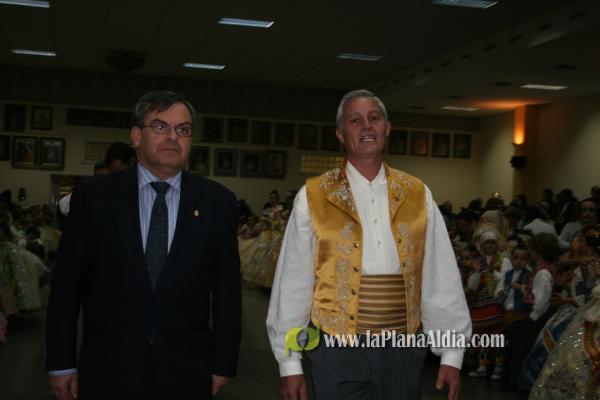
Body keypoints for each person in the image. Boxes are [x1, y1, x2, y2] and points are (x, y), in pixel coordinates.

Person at [266, 89, 471, 400]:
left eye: (374, 118)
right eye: (355, 120)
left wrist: (452, 353)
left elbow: (440, 276)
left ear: (386, 128)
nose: (366, 126)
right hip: (335, 349)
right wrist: (289, 362)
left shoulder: (418, 194)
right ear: (340, 133)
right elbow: (293, 283)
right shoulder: (313, 196)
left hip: (403, 348)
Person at [46, 91, 241, 400]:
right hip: (107, 366)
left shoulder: (218, 203)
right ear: (136, 136)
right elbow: (66, 287)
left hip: (187, 369)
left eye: (183, 129)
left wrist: (223, 363)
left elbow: (227, 293)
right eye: (160, 126)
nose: (173, 137)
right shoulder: (94, 197)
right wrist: (60, 363)